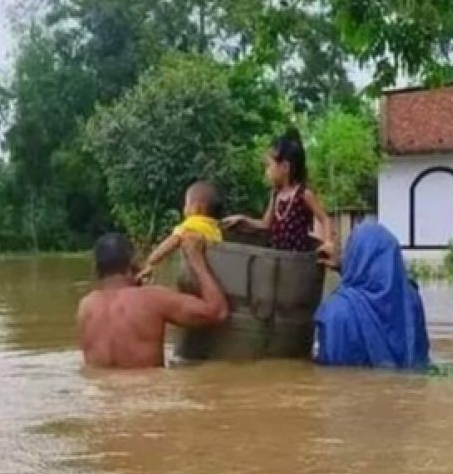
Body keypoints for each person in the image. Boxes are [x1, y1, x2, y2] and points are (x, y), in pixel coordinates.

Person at [77, 232, 228, 369]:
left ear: (96, 270)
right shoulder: (152, 298)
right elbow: (217, 311)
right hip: (145, 395)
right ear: (134, 264)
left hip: (101, 397)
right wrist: (196, 259)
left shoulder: (86, 306)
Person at [314, 222, 430, 370]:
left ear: (354, 255)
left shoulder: (335, 311)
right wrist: (344, 268)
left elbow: (332, 371)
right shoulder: (411, 301)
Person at [222, 127, 336, 260]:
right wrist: (243, 220)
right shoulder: (276, 195)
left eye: (269, 166)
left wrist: (328, 243)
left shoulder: (304, 194)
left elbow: (325, 219)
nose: (266, 172)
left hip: (297, 262)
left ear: (285, 167)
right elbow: (265, 224)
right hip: (276, 259)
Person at [137, 181, 223, 283]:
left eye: (186, 204)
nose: (184, 208)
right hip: (213, 276)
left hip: (192, 278)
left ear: (197, 208)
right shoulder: (216, 229)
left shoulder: (190, 225)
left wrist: (151, 260)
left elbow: (172, 241)